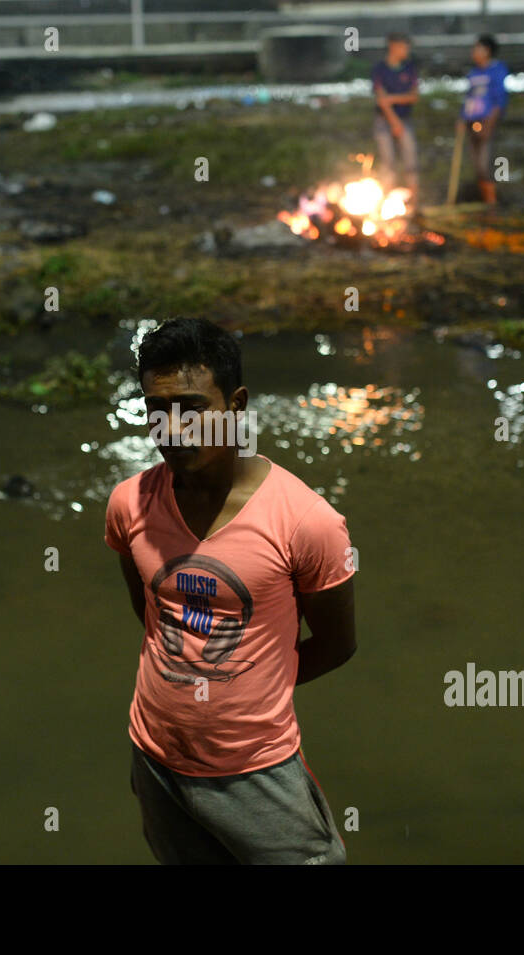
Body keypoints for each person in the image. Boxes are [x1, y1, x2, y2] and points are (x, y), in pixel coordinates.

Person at [105, 317, 357, 864]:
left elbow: (338, 644)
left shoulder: (307, 523)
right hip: (154, 752)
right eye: (157, 411)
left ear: (237, 405)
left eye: (192, 408)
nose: (173, 429)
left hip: (253, 766)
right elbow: (151, 614)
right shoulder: (129, 504)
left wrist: (246, 691)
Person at [460, 34, 509, 205]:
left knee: (486, 162)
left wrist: (490, 122)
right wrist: (462, 118)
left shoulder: (497, 70)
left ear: (487, 51)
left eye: (477, 48)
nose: (474, 52)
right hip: (471, 122)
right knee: (476, 163)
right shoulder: (473, 73)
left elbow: (500, 99)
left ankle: (493, 201)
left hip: (488, 122)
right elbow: (469, 98)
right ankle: (485, 199)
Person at [371, 33, 420, 194]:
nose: (407, 50)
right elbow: (381, 100)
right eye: (404, 46)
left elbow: (413, 97)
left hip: (405, 118)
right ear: (393, 46)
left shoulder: (410, 68)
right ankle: (386, 202)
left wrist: (391, 98)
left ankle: (414, 203)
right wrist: (395, 122)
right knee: (387, 163)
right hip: (384, 121)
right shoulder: (379, 69)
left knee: (411, 161)